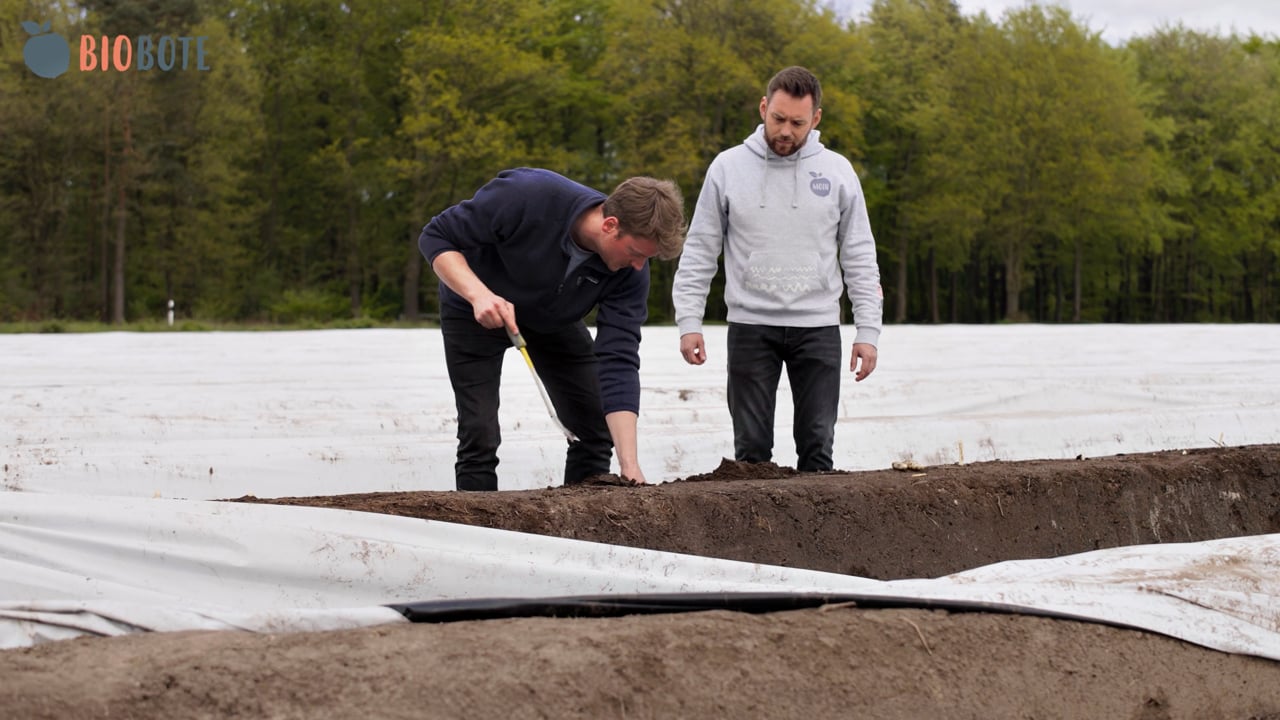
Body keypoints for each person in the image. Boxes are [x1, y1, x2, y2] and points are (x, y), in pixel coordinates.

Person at [418, 168, 686, 491]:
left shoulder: (630, 274)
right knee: (480, 435)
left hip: (552, 318)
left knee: (595, 428)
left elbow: (619, 358)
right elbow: (436, 236)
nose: (639, 266)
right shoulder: (527, 196)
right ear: (610, 225)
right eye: (636, 253)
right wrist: (479, 295)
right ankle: (480, 535)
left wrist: (629, 465)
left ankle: (584, 529)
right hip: (476, 308)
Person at [671, 66, 883, 473]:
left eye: (798, 123)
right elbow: (700, 249)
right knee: (750, 454)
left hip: (818, 326)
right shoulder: (727, 168)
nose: (786, 131)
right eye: (778, 119)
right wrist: (689, 322)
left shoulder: (838, 171)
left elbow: (859, 254)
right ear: (764, 108)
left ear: (816, 119)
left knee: (818, 448)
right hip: (751, 326)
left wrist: (868, 332)